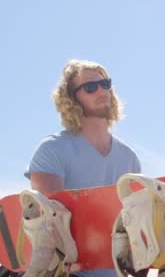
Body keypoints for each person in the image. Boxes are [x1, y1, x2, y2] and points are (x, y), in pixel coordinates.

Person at [24, 59, 142, 277]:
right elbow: (51, 230)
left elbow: (136, 226)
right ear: (71, 98)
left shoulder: (129, 158)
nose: (101, 90)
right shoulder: (53, 149)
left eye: (105, 84)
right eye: (90, 87)